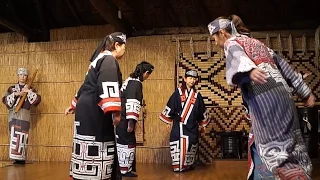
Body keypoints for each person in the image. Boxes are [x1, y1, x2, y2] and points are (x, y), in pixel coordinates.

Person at [208, 17, 316, 179]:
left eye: (214, 38)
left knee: (274, 150)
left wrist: (248, 70)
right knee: (293, 143)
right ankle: (300, 170)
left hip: (265, 96)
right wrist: (305, 92)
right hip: (285, 97)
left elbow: (237, 57)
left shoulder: (232, 43)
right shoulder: (258, 44)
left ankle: (290, 174)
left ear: (222, 33)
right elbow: (285, 67)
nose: (216, 43)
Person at [65, 32, 126, 180]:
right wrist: (116, 112)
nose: (124, 51)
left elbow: (85, 86)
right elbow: (107, 84)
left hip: (84, 108)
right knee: (99, 142)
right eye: (124, 47)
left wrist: (74, 105)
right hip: (95, 109)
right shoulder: (109, 60)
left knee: (84, 142)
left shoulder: (96, 60)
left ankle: (83, 174)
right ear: (117, 45)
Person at [159, 70, 209, 172]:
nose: (192, 80)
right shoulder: (178, 92)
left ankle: (187, 165)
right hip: (179, 125)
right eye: (190, 78)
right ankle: (178, 166)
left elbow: (201, 110)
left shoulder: (197, 95)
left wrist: (203, 124)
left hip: (192, 126)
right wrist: (169, 121)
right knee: (178, 143)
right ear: (185, 79)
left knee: (190, 144)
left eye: (194, 79)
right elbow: (171, 106)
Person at [116, 61, 154, 177]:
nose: (147, 77)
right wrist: (131, 122)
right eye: (149, 74)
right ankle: (124, 170)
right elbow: (132, 102)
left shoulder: (129, 80)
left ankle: (123, 168)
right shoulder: (135, 83)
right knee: (127, 143)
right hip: (125, 119)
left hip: (121, 118)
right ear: (146, 73)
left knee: (123, 142)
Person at [2, 68, 41, 165]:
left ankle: (22, 158)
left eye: (24, 75)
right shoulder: (11, 89)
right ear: (18, 76)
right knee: (13, 135)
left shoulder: (30, 89)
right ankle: (14, 158)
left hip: (24, 115)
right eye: (20, 75)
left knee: (23, 135)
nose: (22, 77)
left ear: (27, 77)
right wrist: (17, 94)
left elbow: (37, 101)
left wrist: (28, 92)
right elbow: (5, 100)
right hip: (13, 114)